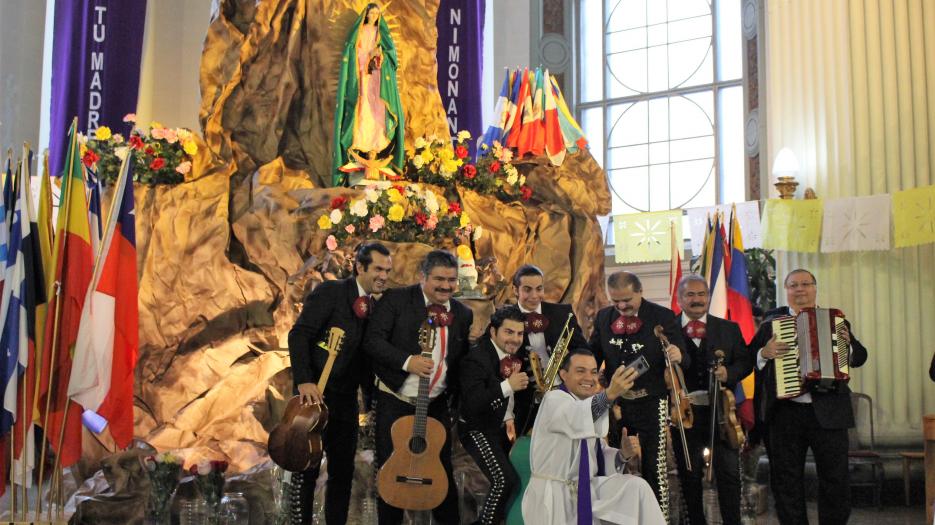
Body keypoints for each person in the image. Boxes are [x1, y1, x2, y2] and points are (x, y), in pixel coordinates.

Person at [750, 269, 868, 524]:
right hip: (785, 414)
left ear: (815, 288)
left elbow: (859, 357)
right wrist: (764, 353)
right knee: (786, 479)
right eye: (794, 285)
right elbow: (750, 358)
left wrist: (847, 347)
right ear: (787, 290)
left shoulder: (837, 321)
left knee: (835, 479)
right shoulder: (772, 324)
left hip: (829, 412)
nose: (800, 289)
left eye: (805, 284)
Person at [286, 242, 393, 525]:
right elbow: (299, 335)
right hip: (314, 396)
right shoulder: (331, 292)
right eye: (378, 269)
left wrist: (369, 403)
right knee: (306, 469)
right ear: (360, 267)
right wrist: (304, 381)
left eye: (388, 270)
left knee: (342, 473)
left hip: (345, 400)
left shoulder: (377, 307)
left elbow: (368, 359)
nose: (384, 275)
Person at [365, 250, 473, 525]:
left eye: (451, 280)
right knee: (391, 477)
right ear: (422, 277)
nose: (446, 286)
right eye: (439, 279)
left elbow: (460, 361)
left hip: (435, 405)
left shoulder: (462, 313)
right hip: (395, 401)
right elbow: (372, 342)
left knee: (442, 473)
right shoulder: (396, 301)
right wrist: (407, 361)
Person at [521, 348, 666, 525]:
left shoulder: (586, 405)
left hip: (585, 490)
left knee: (637, 488)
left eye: (594, 372)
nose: (589, 378)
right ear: (564, 374)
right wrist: (610, 394)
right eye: (580, 371)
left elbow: (595, 456)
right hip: (553, 496)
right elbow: (577, 417)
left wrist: (622, 455)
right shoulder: (554, 399)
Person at [589, 271, 687, 520]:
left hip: (653, 401)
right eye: (616, 301)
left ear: (640, 291)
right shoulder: (603, 318)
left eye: (627, 300)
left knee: (655, 467)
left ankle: (658, 519)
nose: (621, 306)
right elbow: (592, 355)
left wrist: (677, 354)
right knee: (613, 463)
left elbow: (682, 354)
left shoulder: (662, 316)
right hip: (617, 403)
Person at [672, 275, 753, 525]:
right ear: (679, 299)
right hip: (684, 415)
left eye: (701, 294)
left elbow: (746, 361)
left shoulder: (729, 328)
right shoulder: (669, 330)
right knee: (690, 474)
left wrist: (729, 373)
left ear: (708, 296)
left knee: (729, 473)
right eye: (690, 295)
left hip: (722, 413)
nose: (696, 300)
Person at [458, 306, 528, 525]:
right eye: (509, 332)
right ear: (493, 332)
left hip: (499, 428)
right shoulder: (476, 358)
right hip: (475, 428)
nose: (515, 339)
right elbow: (473, 403)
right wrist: (508, 385)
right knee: (503, 480)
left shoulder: (514, 357)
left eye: (519, 333)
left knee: (516, 480)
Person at [333, 3, 405, 186]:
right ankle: (362, 151)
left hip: (377, 80)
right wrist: (366, 56)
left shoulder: (382, 34)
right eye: (371, 12)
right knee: (362, 112)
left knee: (377, 113)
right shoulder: (360, 31)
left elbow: (391, 57)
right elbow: (352, 53)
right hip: (361, 80)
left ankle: (376, 148)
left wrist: (379, 55)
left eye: (376, 13)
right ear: (366, 14)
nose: (373, 15)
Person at [511, 264, 588, 433]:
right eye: (527, 289)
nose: (534, 295)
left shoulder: (562, 313)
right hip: (525, 400)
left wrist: (569, 362)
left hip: (564, 393)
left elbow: (583, 350)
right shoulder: (504, 317)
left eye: (539, 289)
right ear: (515, 290)